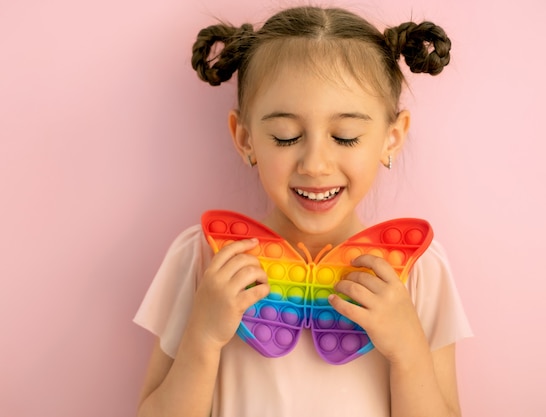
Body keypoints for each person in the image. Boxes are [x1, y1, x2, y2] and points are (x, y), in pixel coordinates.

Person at [134, 5, 472, 417]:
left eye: (345, 137)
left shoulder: (419, 271)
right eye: (285, 136)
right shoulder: (202, 257)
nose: (314, 163)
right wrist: (202, 338)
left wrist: (408, 351)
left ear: (391, 137)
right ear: (245, 139)